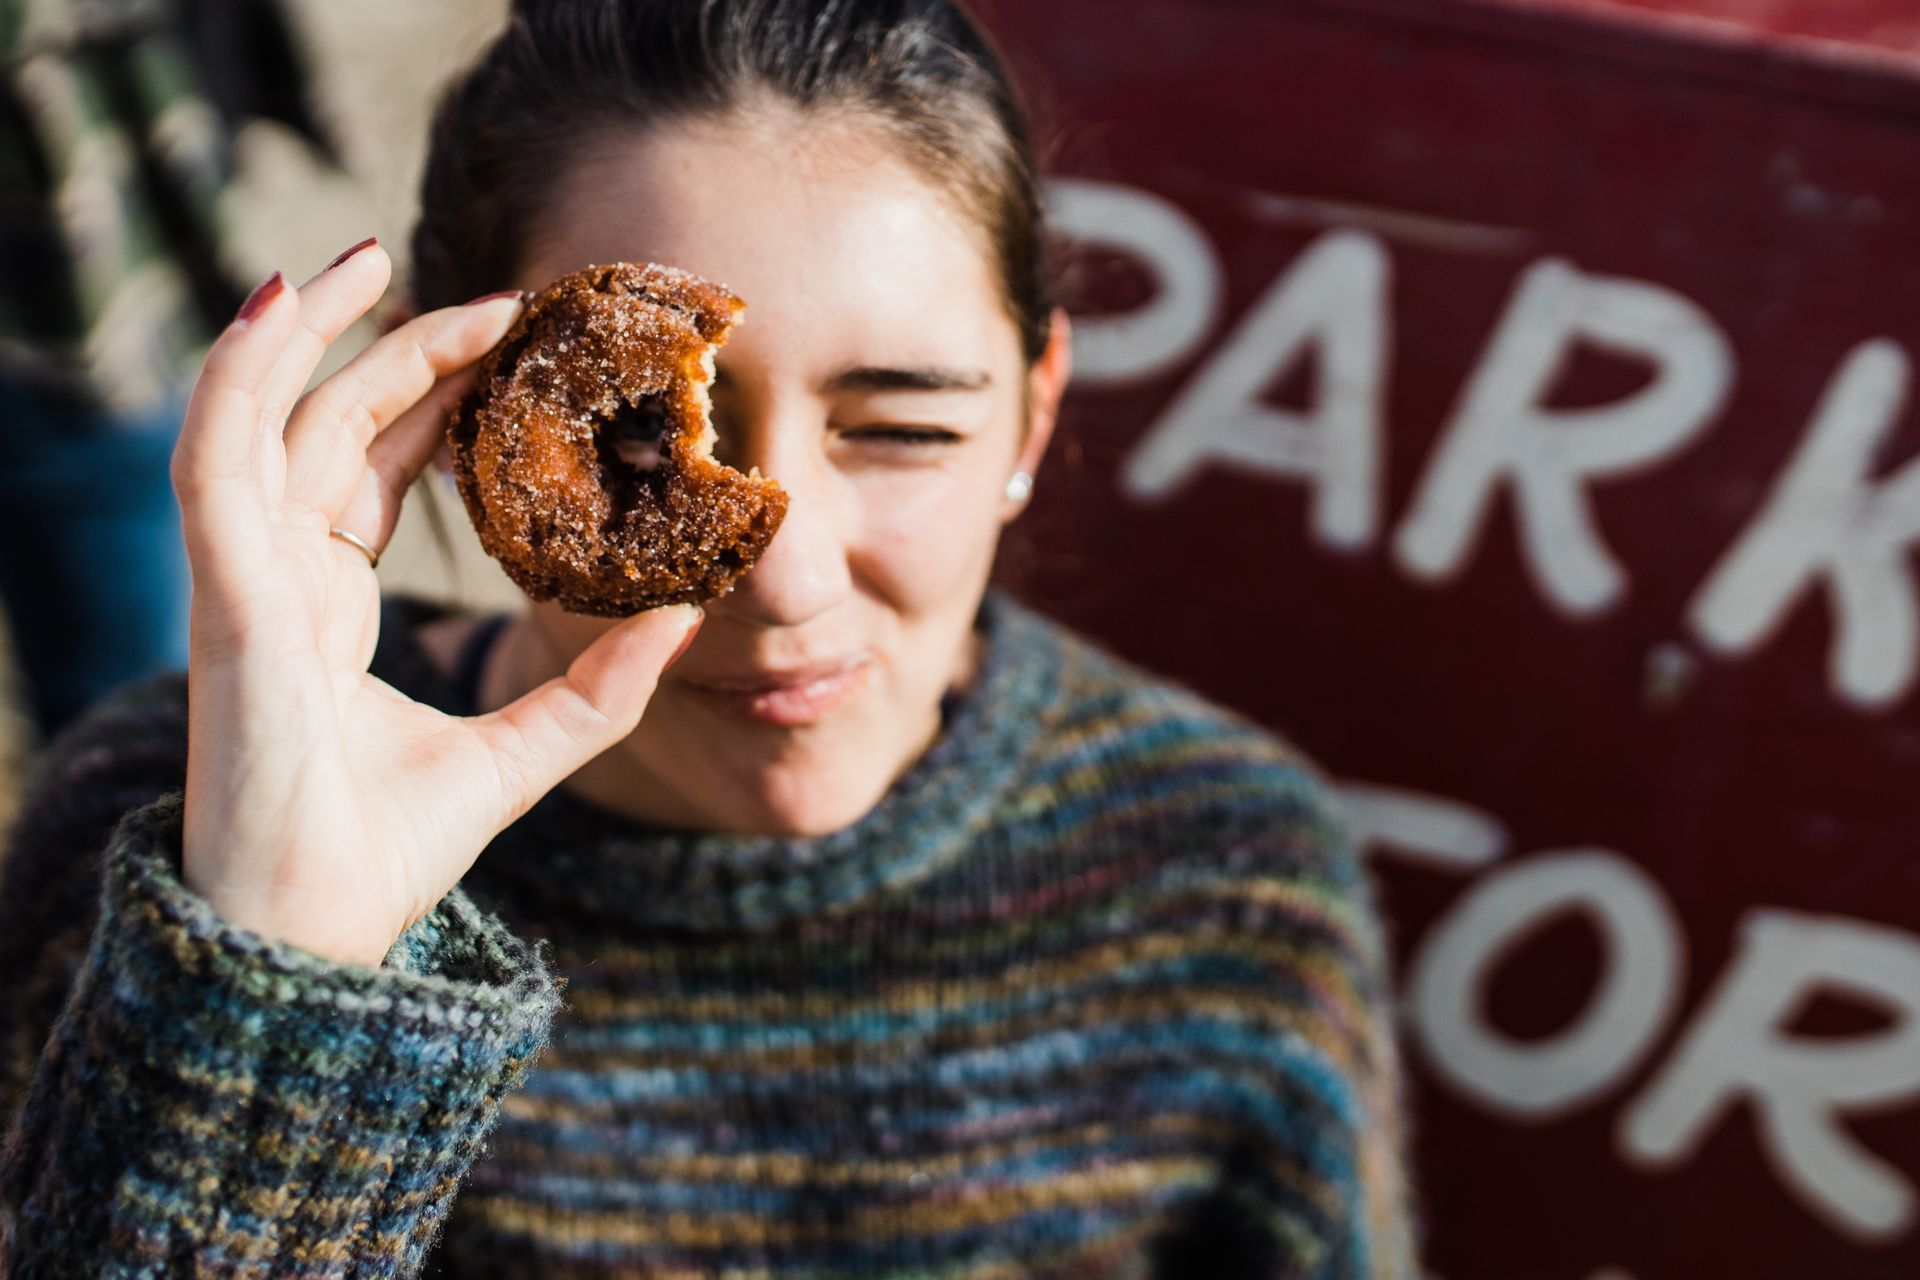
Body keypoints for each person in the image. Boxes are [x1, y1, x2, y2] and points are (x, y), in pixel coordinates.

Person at [0, 1, 1418, 1274]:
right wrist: (283, 991)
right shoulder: (173, 851)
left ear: (1035, 413)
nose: (787, 581)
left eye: (907, 431)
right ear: (463, 427)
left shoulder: (1223, 877)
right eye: (633, 440)